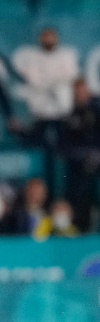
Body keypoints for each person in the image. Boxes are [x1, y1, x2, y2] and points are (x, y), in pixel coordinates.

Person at [12, 27, 79, 148]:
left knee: (65, 145)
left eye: (51, 36)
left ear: (56, 38)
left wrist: (50, 82)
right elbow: (34, 81)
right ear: (40, 39)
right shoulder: (32, 57)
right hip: (40, 113)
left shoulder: (67, 55)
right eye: (45, 37)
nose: (48, 40)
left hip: (62, 113)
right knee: (39, 145)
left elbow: (69, 77)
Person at [61, 79, 100, 231]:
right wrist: (85, 155)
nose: (81, 95)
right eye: (77, 93)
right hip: (81, 166)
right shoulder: (70, 116)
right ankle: (82, 228)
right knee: (79, 188)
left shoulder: (97, 111)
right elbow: (65, 146)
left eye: (83, 92)